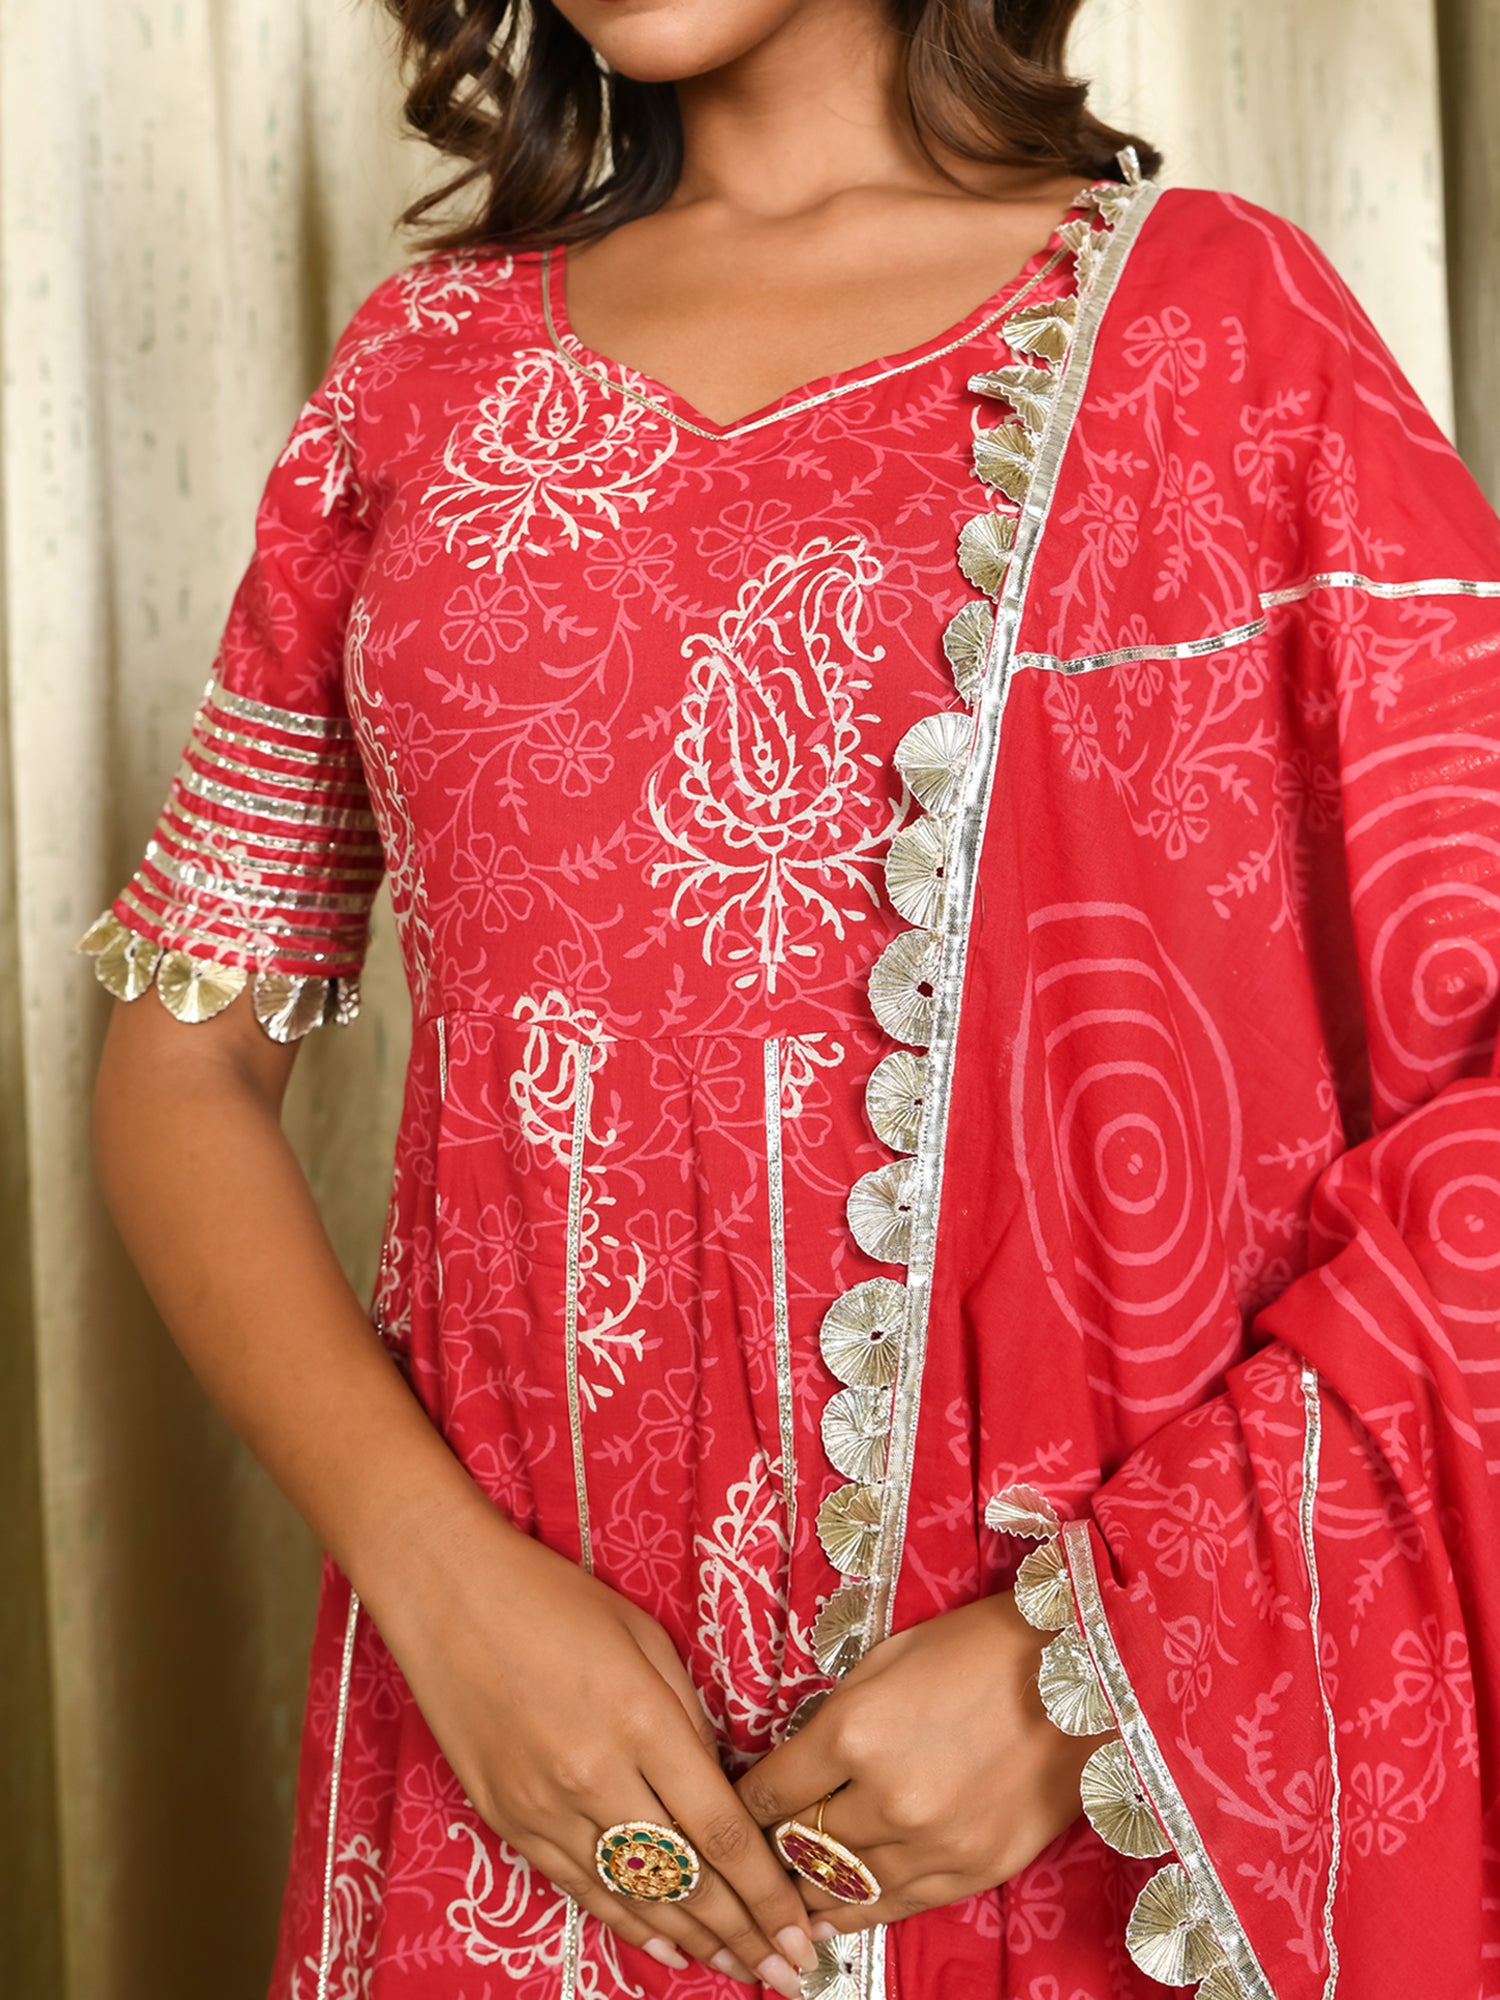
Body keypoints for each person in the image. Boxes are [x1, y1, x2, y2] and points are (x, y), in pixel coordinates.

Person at [82, 1, 1500, 1995]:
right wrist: (440, 1586)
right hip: (533, 1797)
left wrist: (1086, 1670)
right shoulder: (424, 376)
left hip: (1065, 1815)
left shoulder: (1219, 334)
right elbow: (181, 1061)